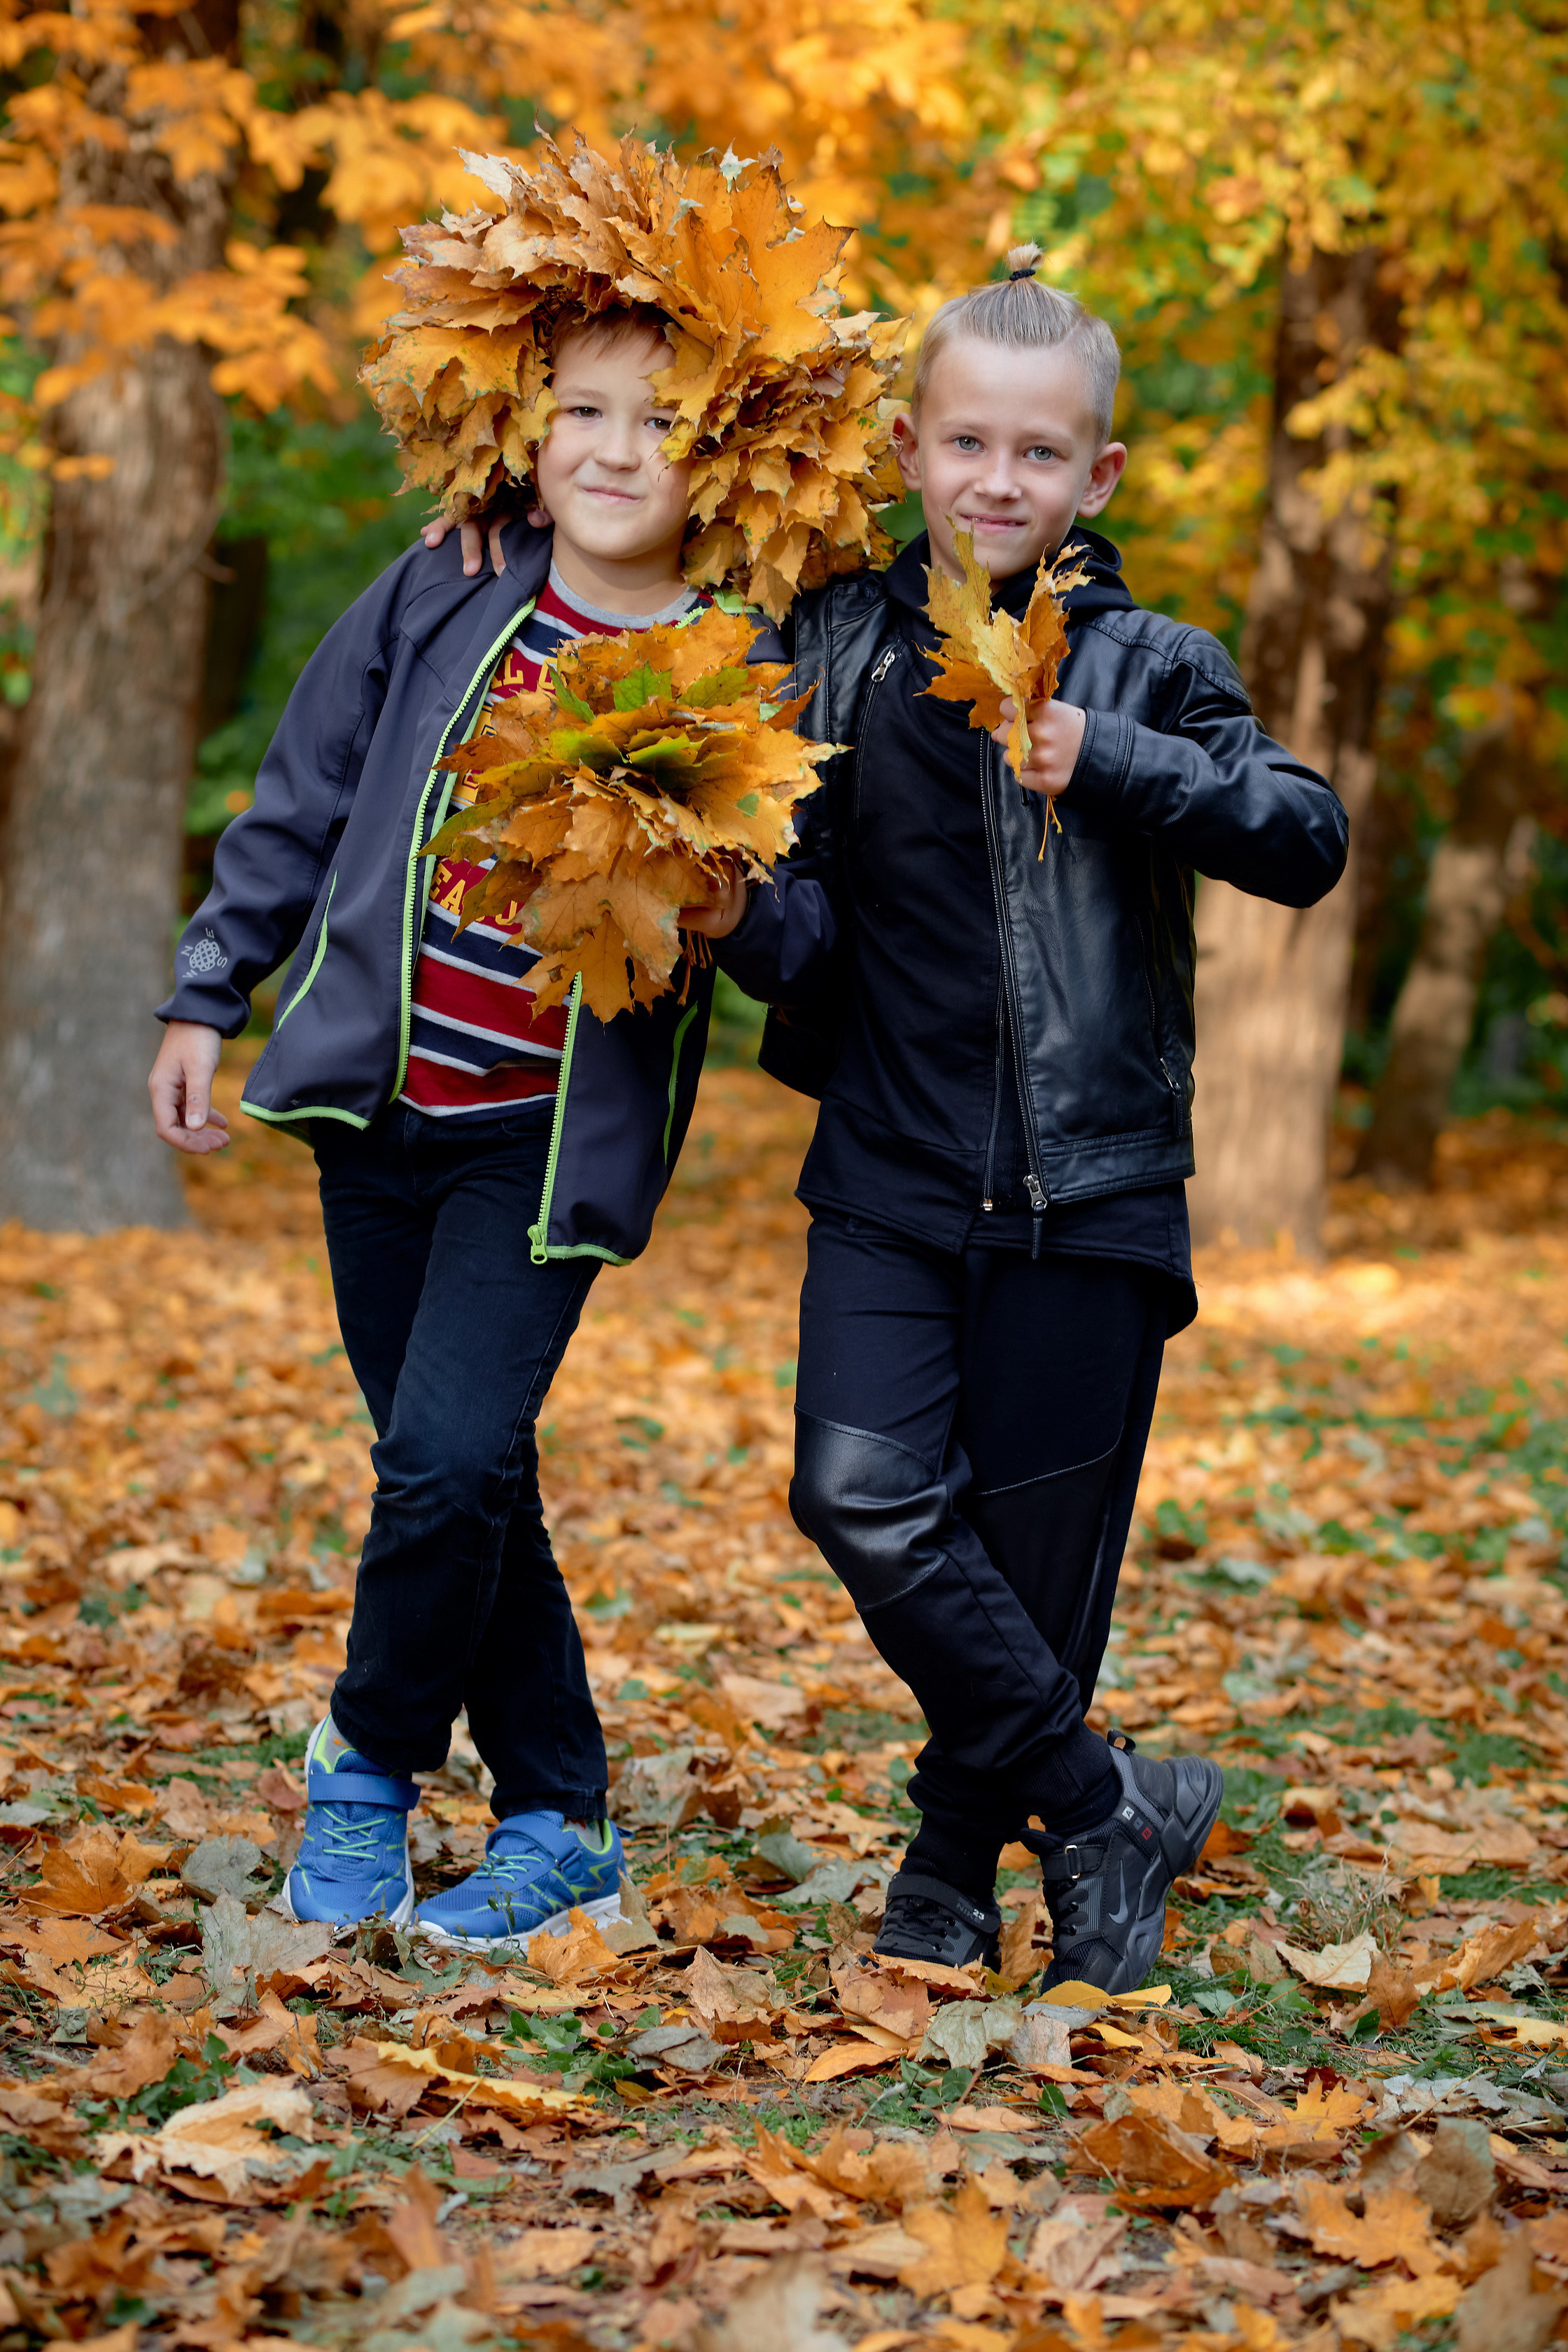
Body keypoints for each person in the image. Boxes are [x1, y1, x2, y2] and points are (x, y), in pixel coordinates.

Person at [146, 134, 902, 1946]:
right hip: (369, 1114)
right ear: (527, 419)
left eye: (657, 419)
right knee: (461, 1469)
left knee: (443, 1464)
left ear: (716, 448)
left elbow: (814, 932)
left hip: (535, 1155)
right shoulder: (450, 587)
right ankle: (561, 1814)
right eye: (580, 408)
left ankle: (365, 1773)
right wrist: (202, 988)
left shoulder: (741, 664)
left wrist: (736, 920)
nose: (613, 447)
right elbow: (304, 798)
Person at [703, 247, 1350, 1991]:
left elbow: (1303, 835)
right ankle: (1100, 1796)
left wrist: (1114, 759)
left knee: (1030, 1567)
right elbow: (808, 925)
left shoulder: (1151, 665)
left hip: (1099, 1188)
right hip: (892, 1174)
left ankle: (944, 1870)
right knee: (858, 1493)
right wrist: (727, 913)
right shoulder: (828, 647)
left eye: (1040, 454)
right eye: (968, 444)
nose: (1000, 482)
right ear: (909, 447)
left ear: (1099, 475)